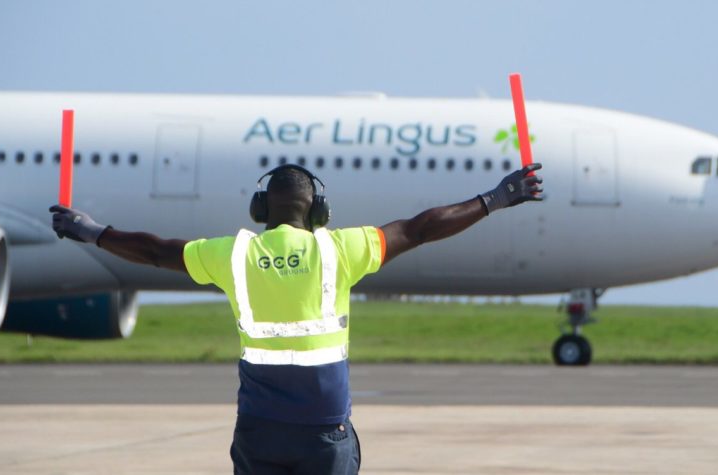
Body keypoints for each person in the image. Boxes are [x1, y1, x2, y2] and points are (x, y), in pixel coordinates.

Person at [49, 161, 543, 475]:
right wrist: (495, 199)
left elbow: (155, 251)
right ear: (319, 211)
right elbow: (421, 228)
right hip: (323, 433)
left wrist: (91, 231)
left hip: (259, 430)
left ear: (260, 208)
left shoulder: (232, 254)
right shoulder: (341, 249)